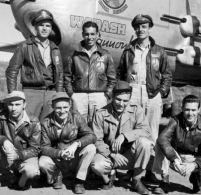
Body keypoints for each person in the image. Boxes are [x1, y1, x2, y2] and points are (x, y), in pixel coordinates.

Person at [116, 14, 172, 144]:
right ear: (134, 30)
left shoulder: (159, 51)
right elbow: (120, 73)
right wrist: (122, 92)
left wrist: (162, 92)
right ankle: (131, 159)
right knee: (129, 126)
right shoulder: (128, 51)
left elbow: (167, 74)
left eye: (144, 26)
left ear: (149, 28)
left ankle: (151, 160)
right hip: (132, 91)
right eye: (137, 27)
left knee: (152, 129)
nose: (140, 29)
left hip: (152, 93)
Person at [91, 81, 153, 195]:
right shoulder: (100, 113)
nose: (121, 103)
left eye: (125, 101)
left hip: (129, 155)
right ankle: (108, 176)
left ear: (129, 100)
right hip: (109, 155)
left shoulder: (136, 110)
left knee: (145, 143)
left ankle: (136, 179)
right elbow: (96, 139)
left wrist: (124, 135)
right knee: (97, 165)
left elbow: (146, 130)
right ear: (112, 97)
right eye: (118, 99)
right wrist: (112, 154)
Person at [152, 95, 201, 194]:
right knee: (160, 143)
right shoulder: (175, 120)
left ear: (199, 110)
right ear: (182, 109)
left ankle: (197, 181)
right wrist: (174, 159)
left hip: (194, 158)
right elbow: (163, 138)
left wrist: (195, 165)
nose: (190, 113)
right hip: (176, 157)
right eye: (187, 110)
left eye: (193, 110)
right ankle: (164, 180)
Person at [6, 9, 63, 121]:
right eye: (41, 25)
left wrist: (59, 94)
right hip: (31, 93)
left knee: (48, 127)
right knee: (28, 126)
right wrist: (13, 94)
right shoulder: (24, 46)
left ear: (51, 28)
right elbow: (12, 71)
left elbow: (60, 74)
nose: (45, 28)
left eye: (48, 25)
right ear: (35, 27)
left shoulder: (55, 48)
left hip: (51, 93)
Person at [0, 91, 41, 195]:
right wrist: (4, 140)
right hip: (6, 156)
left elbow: (35, 149)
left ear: (24, 105)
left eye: (17, 104)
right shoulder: (1, 116)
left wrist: (18, 155)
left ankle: (20, 176)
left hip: (23, 157)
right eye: (10, 104)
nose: (14, 108)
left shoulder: (34, 121)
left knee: (32, 171)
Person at [39, 92, 96, 194]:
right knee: (42, 162)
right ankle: (57, 175)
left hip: (74, 156)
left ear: (70, 106)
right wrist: (60, 153)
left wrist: (76, 144)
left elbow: (91, 136)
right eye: (58, 108)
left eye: (65, 107)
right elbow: (43, 147)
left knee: (91, 148)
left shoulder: (76, 117)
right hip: (57, 158)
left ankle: (79, 181)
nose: (62, 111)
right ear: (52, 106)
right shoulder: (45, 122)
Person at [64, 21, 116, 123]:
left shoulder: (105, 55)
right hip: (79, 96)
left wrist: (107, 95)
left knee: (99, 125)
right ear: (83, 35)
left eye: (92, 34)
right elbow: (67, 77)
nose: (90, 37)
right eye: (87, 34)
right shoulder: (75, 55)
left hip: (99, 96)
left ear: (97, 35)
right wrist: (72, 95)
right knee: (78, 125)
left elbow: (112, 79)